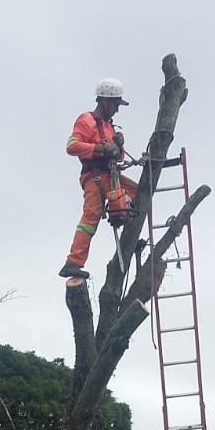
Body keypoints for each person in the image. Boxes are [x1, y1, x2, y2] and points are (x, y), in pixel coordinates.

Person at [59, 78, 138, 279]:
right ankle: (73, 262)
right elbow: (72, 146)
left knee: (139, 193)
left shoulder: (110, 127)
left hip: (111, 176)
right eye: (115, 105)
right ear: (105, 101)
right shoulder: (86, 120)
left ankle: (132, 237)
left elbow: (118, 157)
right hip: (94, 178)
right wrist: (98, 149)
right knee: (90, 218)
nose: (117, 110)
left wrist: (119, 146)